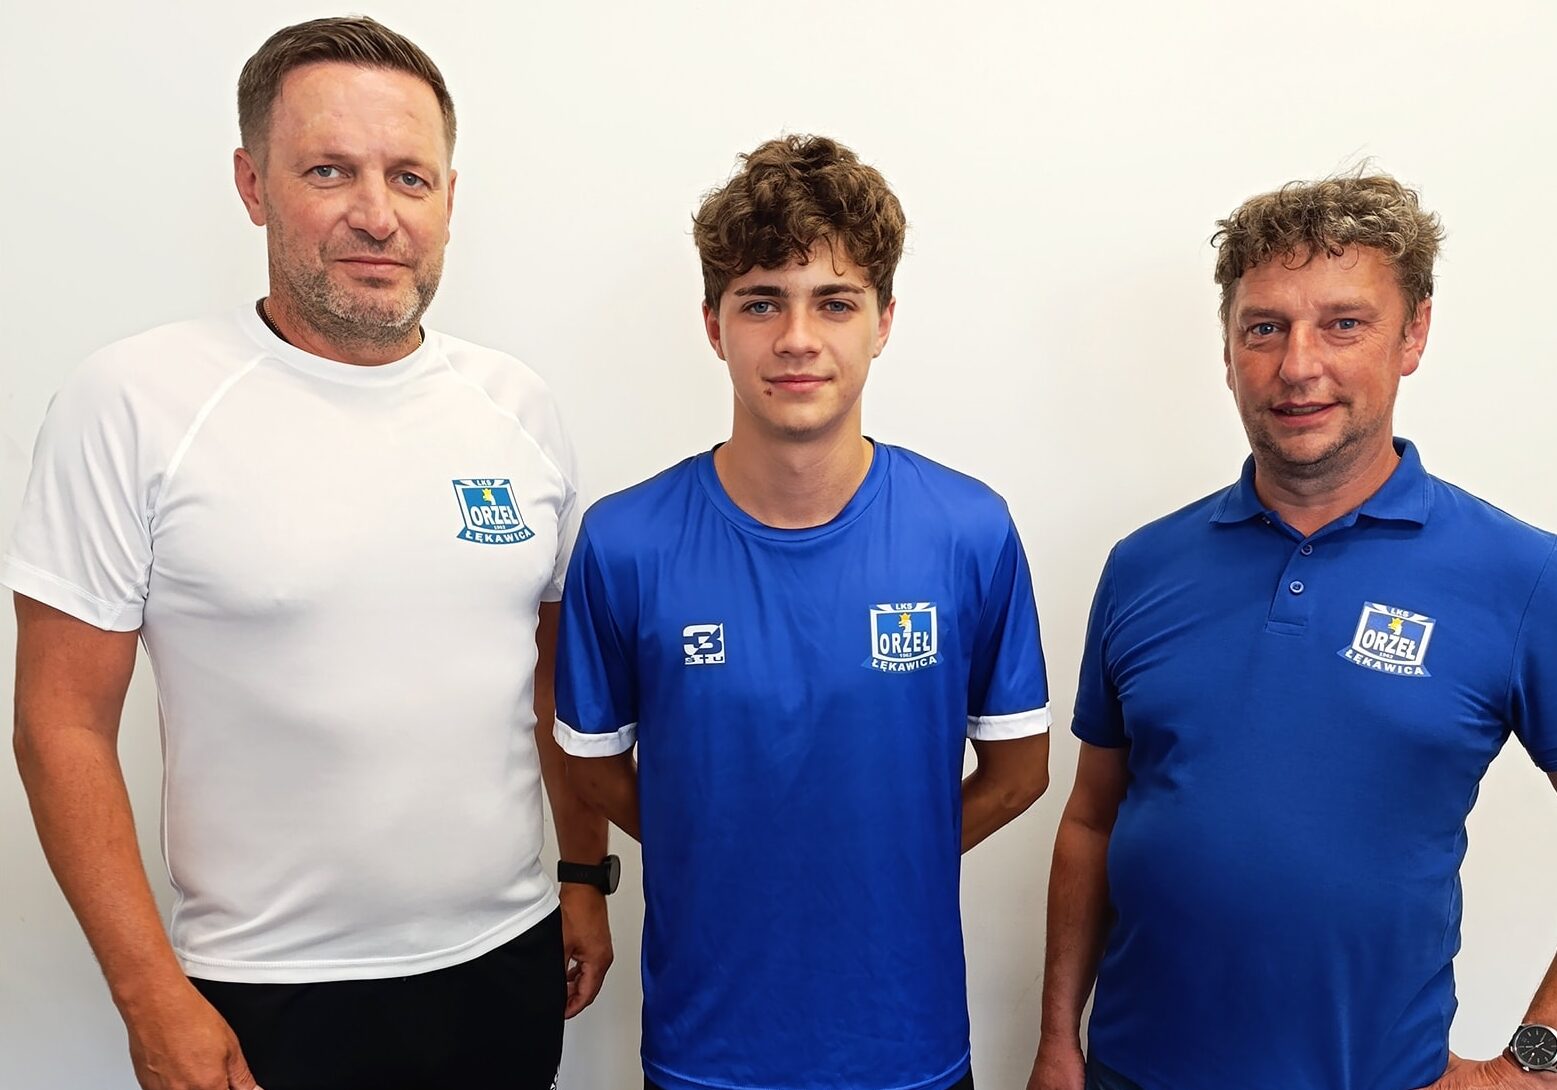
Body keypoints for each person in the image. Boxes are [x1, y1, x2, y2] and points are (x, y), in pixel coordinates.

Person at [5, 16, 613, 1090]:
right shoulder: (136, 402)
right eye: (329, 171)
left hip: (506, 965)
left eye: (410, 177)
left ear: (449, 199)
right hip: (264, 990)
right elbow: (61, 724)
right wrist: (150, 996)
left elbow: (547, 684)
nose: (377, 215)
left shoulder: (516, 407)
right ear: (252, 184)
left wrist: (580, 874)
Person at [1026, 174, 1557, 1090]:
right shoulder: (1143, 565)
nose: (1297, 365)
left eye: (1343, 324)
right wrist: (1056, 1044)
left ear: (1413, 336)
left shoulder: (1521, 576)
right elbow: (1089, 820)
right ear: (1228, 349)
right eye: (1264, 327)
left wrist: (1535, 1063)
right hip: (1127, 1073)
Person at [551, 134, 1052, 1090]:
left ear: (883, 321)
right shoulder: (625, 542)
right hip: (707, 1051)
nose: (795, 338)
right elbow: (591, 765)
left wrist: (878, 853)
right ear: (713, 325)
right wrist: (720, 844)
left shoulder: (967, 530)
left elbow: (1019, 772)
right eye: (760, 302)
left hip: (906, 1046)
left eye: (834, 301)